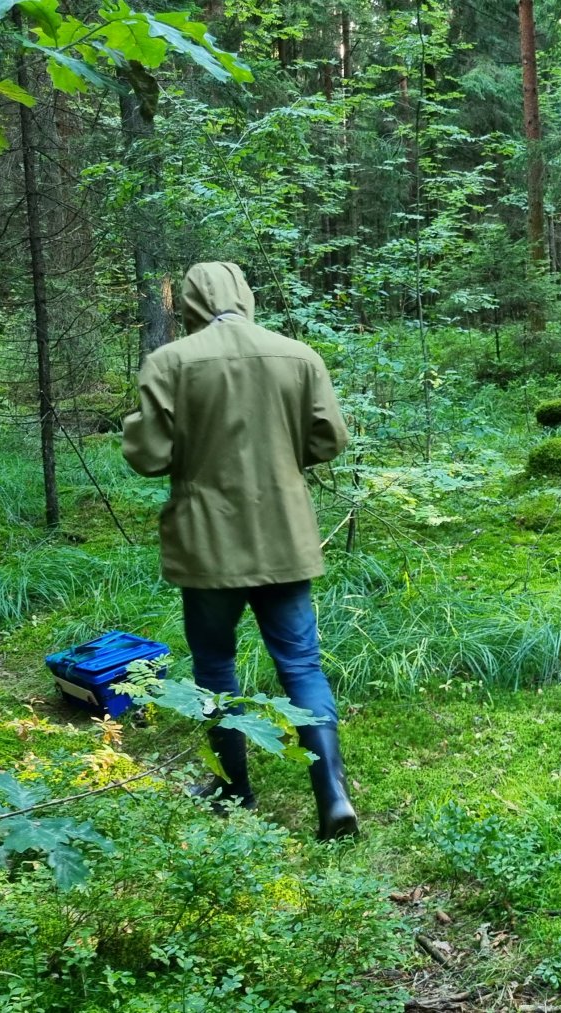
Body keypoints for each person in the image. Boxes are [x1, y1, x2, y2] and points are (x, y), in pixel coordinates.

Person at [121, 261, 358, 841]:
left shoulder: (169, 363)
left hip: (208, 542)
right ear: (245, 296)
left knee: (215, 667)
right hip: (284, 535)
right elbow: (330, 438)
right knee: (301, 664)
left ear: (191, 303)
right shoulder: (298, 356)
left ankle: (233, 790)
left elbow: (148, 456)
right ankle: (333, 795)